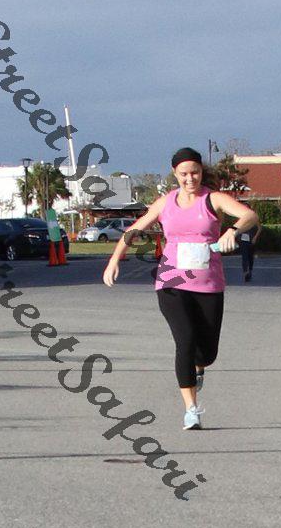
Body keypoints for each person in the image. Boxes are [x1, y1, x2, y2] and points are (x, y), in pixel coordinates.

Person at [103, 147, 259, 430]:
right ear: (175, 174)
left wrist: (233, 230)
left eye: (195, 172)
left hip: (208, 284)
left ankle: (199, 367)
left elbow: (250, 216)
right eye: (184, 174)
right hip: (171, 283)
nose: (190, 179)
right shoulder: (166, 202)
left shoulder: (213, 198)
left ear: (201, 171)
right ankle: (191, 409)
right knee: (185, 340)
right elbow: (133, 230)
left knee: (207, 353)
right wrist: (114, 260)